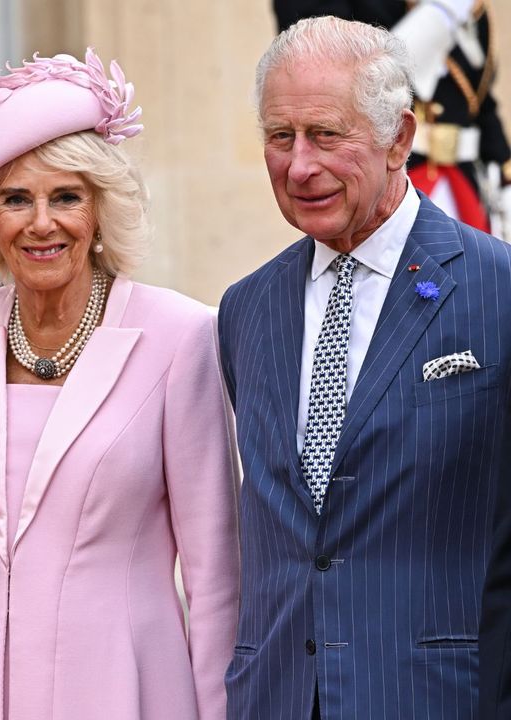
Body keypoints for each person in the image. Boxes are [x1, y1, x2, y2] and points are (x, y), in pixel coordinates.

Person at [0, 52, 240, 720]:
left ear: (101, 210)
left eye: (66, 197)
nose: (41, 222)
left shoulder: (181, 336)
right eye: (17, 199)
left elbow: (216, 580)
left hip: (122, 692)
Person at [218, 17, 511, 719]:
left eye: (325, 134)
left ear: (399, 139)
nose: (299, 166)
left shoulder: (497, 291)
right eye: (279, 137)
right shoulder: (245, 310)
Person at [274, 0, 511, 236]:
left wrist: (504, 175)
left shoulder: (472, 8)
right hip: (391, 178)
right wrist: (437, 16)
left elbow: (479, 103)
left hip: (461, 184)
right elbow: (324, 69)